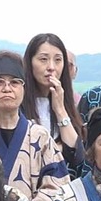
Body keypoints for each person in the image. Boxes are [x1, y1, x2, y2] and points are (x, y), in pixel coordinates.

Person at [0, 52, 68, 201]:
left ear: (23, 89)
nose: (7, 88)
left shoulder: (39, 136)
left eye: (15, 82)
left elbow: (57, 185)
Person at [22, 33, 86, 176]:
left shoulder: (67, 105)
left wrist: (60, 110)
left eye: (58, 60)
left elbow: (76, 156)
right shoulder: (18, 107)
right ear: (29, 62)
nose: (51, 67)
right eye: (43, 59)